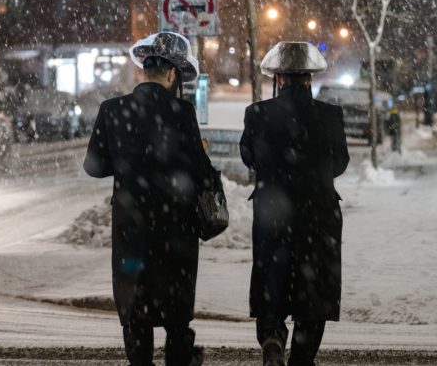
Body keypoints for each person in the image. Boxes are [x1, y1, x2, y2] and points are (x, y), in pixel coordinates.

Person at [83, 32, 212, 366]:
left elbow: (93, 166)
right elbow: (198, 171)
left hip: (131, 230)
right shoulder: (182, 112)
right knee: (176, 309)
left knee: (136, 305)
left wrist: (126, 164)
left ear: (145, 70)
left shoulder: (112, 110)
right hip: (176, 229)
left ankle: (140, 360)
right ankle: (179, 357)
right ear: (171, 73)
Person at [239, 42, 349, 366]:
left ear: (279, 79)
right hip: (319, 215)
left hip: (273, 211)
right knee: (313, 286)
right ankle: (302, 355)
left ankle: (272, 335)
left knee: (272, 276)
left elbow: (248, 157)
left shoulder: (257, 113)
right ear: (309, 79)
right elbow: (340, 163)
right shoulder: (330, 115)